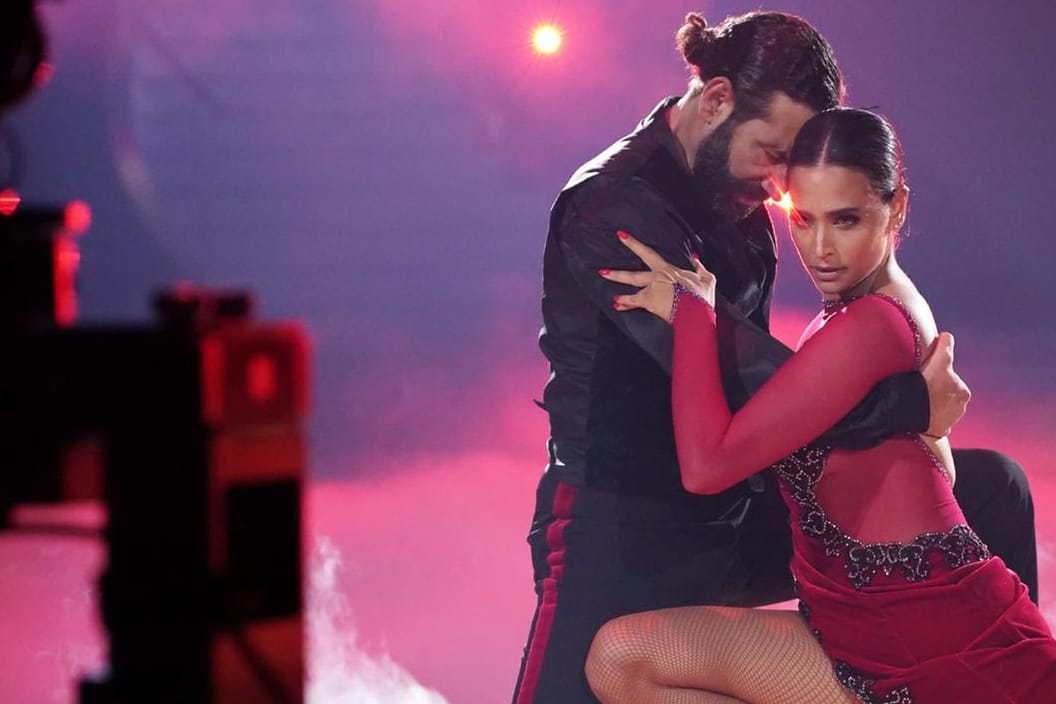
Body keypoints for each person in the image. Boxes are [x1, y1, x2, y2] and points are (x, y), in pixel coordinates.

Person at [511, 11, 1038, 704]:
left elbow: (781, 391)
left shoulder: (749, 202)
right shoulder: (611, 205)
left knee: (993, 484)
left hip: (745, 505)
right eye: (773, 152)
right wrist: (905, 405)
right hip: (627, 520)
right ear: (719, 99)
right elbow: (741, 374)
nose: (780, 184)